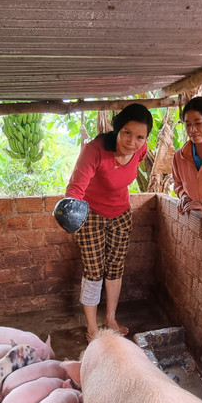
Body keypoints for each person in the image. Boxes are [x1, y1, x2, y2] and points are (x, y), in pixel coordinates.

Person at [64, 103, 153, 340]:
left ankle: (110, 318)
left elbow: (133, 162)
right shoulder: (94, 150)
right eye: (127, 133)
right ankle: (92, 327)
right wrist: (70, 208)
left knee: (115, 267)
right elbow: (76, 188)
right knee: (94, 270)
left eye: (140, 137)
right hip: (91, 214)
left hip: (122, 213)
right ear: (117, 128)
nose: (132, 142)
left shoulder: (139, 151)